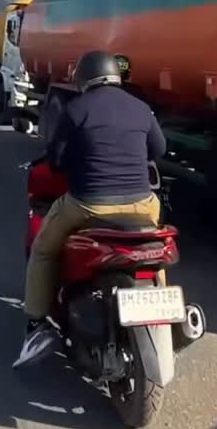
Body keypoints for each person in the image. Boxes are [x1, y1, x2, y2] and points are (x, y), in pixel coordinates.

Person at [13, 50, 167, 368]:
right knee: (152, 248)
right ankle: (160, 308)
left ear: (83, 78)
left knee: (43, 249)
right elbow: (158, 150)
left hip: (89, 204)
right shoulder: (140, 108)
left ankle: (36, 323)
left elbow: (56, 160)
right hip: (143, 205)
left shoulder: (76, 109)